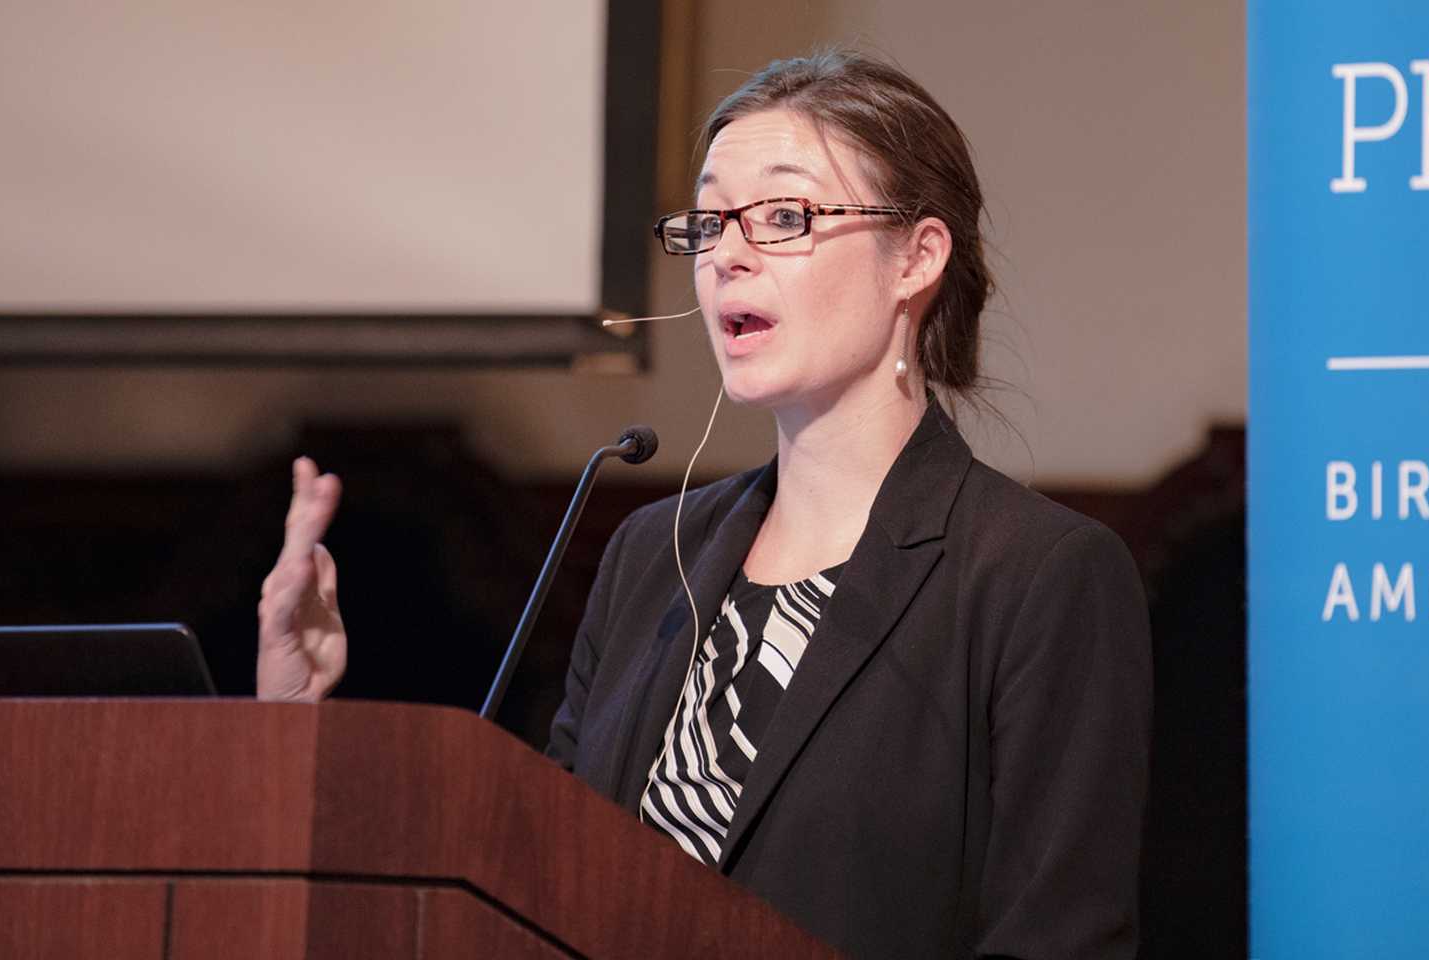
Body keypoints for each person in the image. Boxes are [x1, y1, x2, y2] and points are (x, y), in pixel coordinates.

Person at [257, 50, 1151, 960]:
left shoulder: (1037, 577)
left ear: (916, 258)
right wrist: (302, 728)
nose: (727, 253)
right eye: (711, 220)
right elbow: (526, 880)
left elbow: (1059, 938)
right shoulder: (655, 552)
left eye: (783, 216)